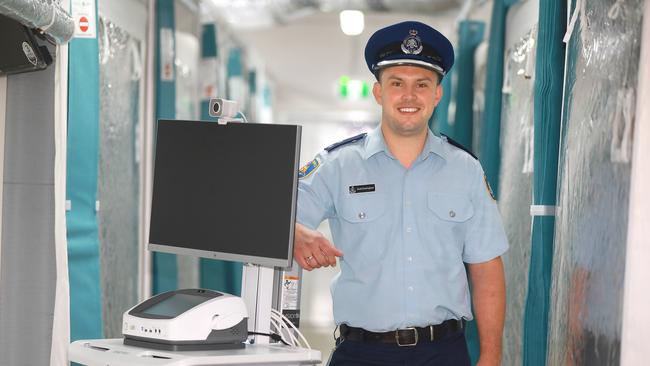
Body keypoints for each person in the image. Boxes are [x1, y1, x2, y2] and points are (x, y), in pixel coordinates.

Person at [293, 20, 508, 366]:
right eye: (397, 84)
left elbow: (486, 267)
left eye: (422, 84)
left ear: (437, 94)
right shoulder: (339, 165)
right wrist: (293, 232)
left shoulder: (465, 169)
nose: (409, 96)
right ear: (379, 92)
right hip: (361, 354)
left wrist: (492, 355)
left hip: (444, 353)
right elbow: (271, 216)